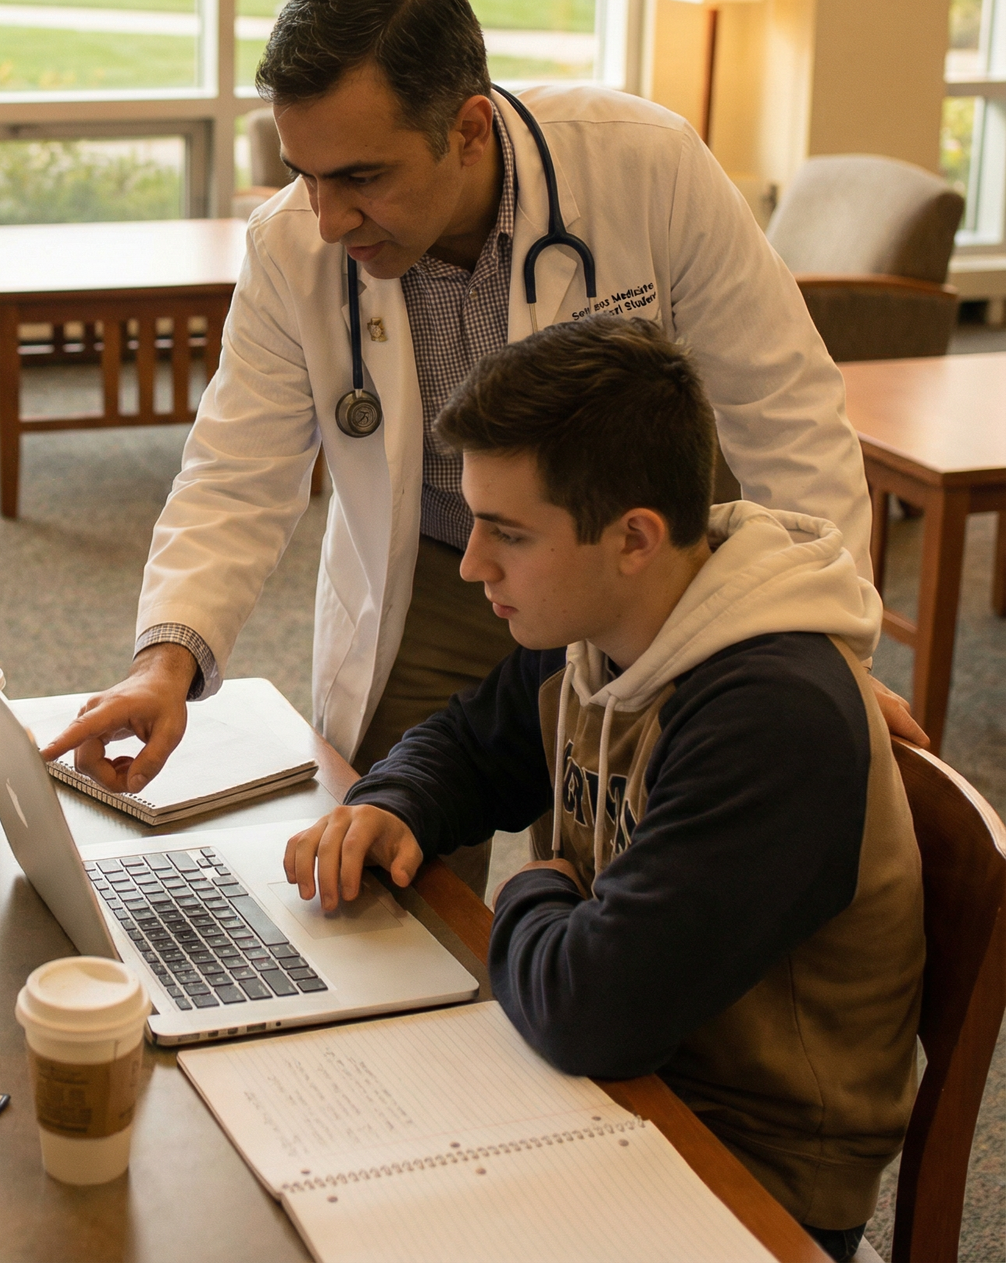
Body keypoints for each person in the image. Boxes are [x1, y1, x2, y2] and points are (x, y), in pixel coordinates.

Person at [43, 0, 914, 843]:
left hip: (636, 578)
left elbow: (784, 406)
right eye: (304, 174)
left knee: (629, 849)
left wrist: (826, 646)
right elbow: (235, 470)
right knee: (378, 843)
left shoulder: (647, 165)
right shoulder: (290, 246)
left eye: (362, 177)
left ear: (467, 129)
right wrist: (164, 662)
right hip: (442, 569)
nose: (328, 219)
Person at [283, 316, 924, 1263]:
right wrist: (394, 800)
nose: (473, 564)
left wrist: (530, 888)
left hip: (746, 1170)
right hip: (614, 1090)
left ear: (633, 538)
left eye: (508, 534)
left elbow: (595, 1014)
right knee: (317, 1153)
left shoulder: (771, 718)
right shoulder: (606, 623)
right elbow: (470, 744)